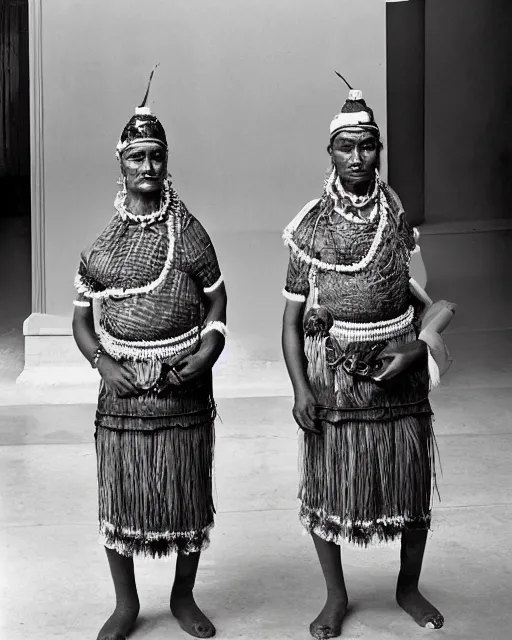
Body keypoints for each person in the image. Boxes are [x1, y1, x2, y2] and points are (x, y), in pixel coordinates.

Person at [281, 74, 455, 639]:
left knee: (408, 486)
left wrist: (413, 349)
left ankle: (408, 587)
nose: (359, 156)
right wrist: (303, 389)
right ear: (329, 152)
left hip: (399, 373)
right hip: (334, 375)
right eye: (346, 146)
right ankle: (336, 597)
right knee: (330, 488)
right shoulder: (310, 226)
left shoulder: (396, 212)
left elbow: (426, 297)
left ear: (379, 148)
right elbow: (290, 321)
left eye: (369, 144)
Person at [72, 69, 227, 640]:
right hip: (123, 395)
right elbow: (81, 318)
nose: (147, 167)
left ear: (167, 162)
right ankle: (126, 604)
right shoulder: (103, 245)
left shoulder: (190, 235)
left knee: (187, 494)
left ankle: (184, 598)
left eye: (156, 156)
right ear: (121, 164)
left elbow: (217, 300)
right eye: (136, 157)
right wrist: (102, 362)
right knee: (121, 496)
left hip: (185, 386)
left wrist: (210, 347)